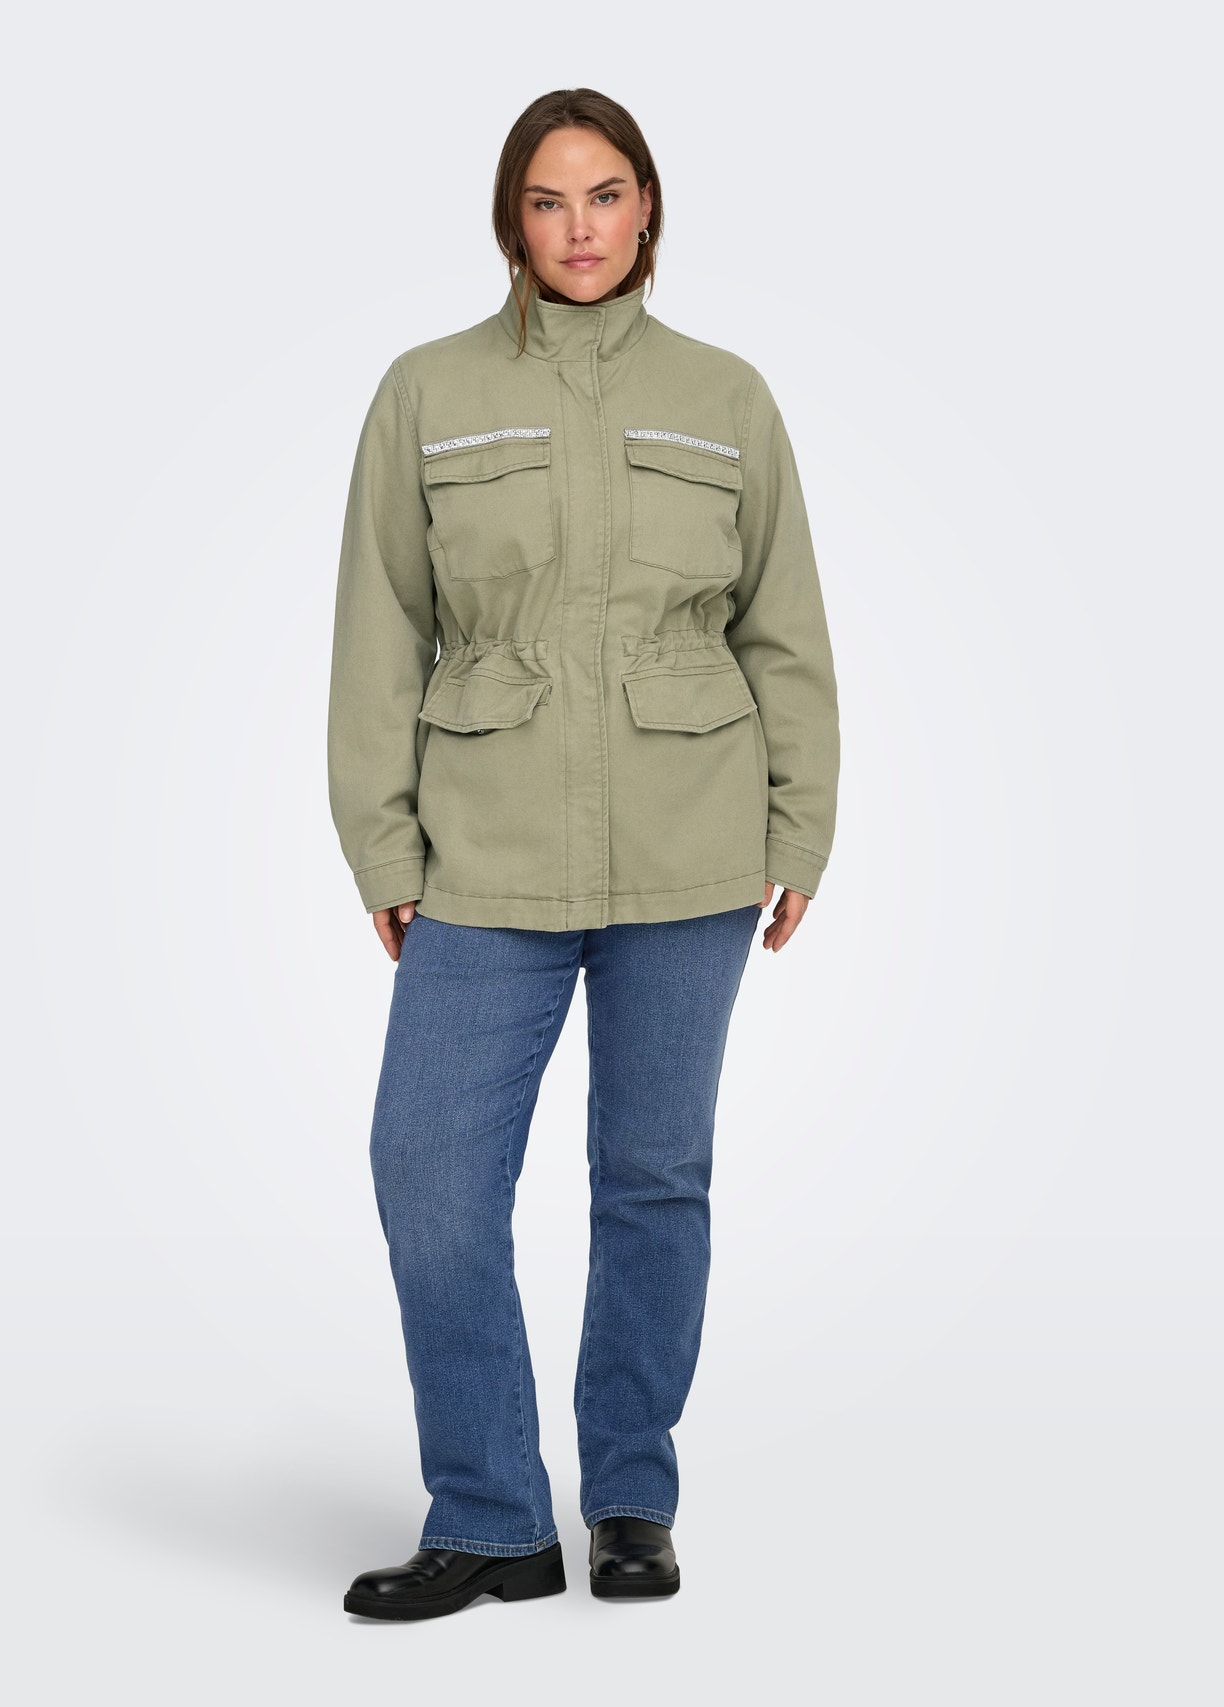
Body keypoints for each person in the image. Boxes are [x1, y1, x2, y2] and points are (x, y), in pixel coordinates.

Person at [326, 88, 840, 1621]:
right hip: (484, 849)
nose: (579, 228)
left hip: (693, 844)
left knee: (653, 1177)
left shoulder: (726, 396)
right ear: (512, 219)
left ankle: (628, 1499)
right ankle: (493, 1514)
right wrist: (382, 840)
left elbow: (784, 627)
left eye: (605, 194)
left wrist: (802, 822)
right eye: (548, 201)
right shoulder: (426, 393)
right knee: (428, 1170)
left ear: (647, 206)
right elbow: (378, 629)